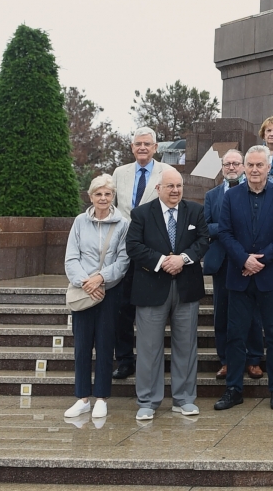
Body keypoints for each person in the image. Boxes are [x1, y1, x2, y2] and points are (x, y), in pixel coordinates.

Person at [214, 146, 273, 412]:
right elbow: (225, 233)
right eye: (251, 165)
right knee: (236, 335)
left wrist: (259, 261)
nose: (255, 170)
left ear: (269, 167)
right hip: (239, 277)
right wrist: (244, 260)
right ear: (244, 167)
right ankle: (234, 389)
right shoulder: (231, 196)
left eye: (260, 165)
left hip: (270, 278)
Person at [126, 169, 209, 420]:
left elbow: (204, 240)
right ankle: (148, 401)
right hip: (152, 288)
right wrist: (163, 261)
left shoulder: (195, 211)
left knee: (186, 346)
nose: (175, 191)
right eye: (170, 186)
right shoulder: (141, 214)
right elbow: (133, 246)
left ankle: (184, 399)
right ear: (158, 188)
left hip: (186, 288)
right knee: (149, 347)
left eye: (179, 186)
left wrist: (182, 259)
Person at [63, 175, 130, 421]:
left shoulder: (122, 223)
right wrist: (86, 282)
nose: (103, 198)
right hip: (83, 291)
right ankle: (82, 398)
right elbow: (71, 257)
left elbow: (123, 260)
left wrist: (100, 279)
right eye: (98, 194)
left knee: (104, 345)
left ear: (113, 197)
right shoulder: (80, 222)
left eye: (107, 194)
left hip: (109, 292)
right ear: (90, 197)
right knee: (82, 346)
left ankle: (101, 397)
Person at [110, 126, 171, 380]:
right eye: (138, 144)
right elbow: (113, 207)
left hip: (152, 249)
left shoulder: (165, 172)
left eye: (147, 144)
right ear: (132, 147)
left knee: (153, 308)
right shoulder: (119, 172)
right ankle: (124, 359)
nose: (142, 148)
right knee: (122, 308)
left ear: (155, 147)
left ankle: (154, 358)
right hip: (124, 248)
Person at [203, 149, 265, 381]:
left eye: (236, 163)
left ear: (244, 166)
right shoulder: (212, 196)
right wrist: (227, 228)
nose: (231, 167)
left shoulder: (252, 193)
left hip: (248, 262)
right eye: (227, 164)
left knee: (252, 314)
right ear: (222, 167)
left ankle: (254, 360)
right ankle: (226, 360)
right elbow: (205, 227)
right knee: (222, 313)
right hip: (222, 263)